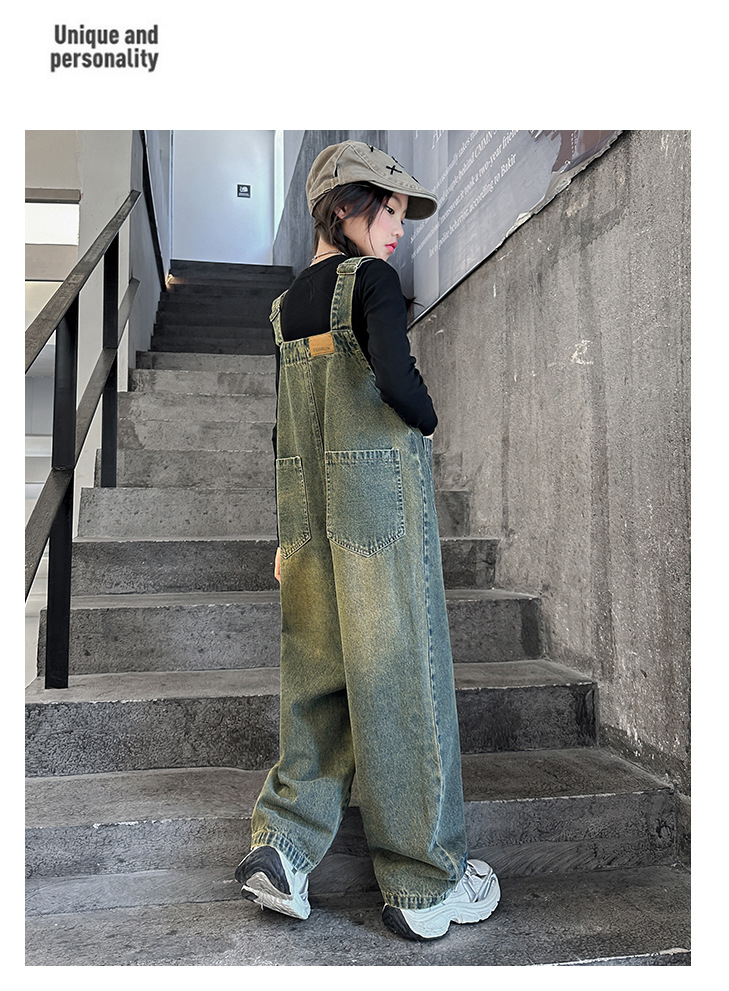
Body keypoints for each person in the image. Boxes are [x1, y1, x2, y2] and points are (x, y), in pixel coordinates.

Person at [235, 140, 500, 941]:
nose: (399, 230)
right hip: (376, 512)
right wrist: (428, 415)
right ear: (346, 206)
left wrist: (285, 535)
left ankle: (283, 848)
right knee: (401, 680)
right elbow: (396, 381)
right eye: (391, 211)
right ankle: (425, 883)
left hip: (306, 513)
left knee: (315, 677)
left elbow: (283, 425)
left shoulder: (287, 307)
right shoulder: (372, 283)